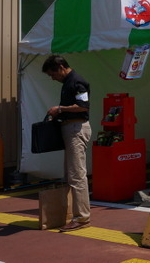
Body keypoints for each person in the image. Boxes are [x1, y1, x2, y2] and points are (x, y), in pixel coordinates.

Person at [43, 55, 92, 232]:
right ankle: (77, 215)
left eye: (53, 74)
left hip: (76, 128)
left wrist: (60, 109)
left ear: (61, 67)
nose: (52, 78)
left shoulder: (77, 81)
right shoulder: (68, 82)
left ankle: (82, 218)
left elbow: (83, 106)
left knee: (77, 174)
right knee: (72, 173)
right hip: (71, 128)